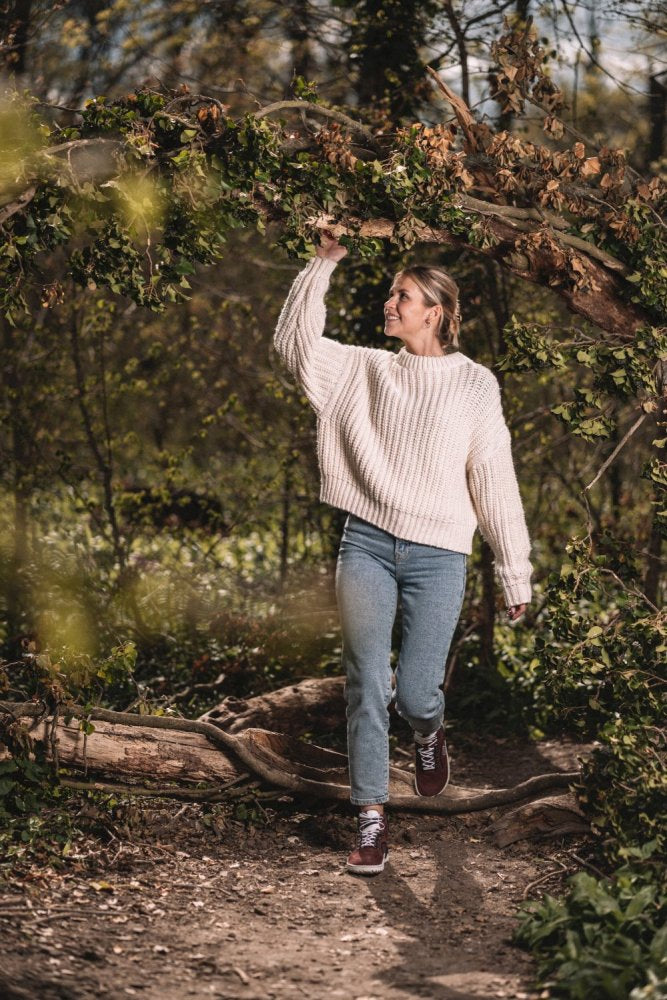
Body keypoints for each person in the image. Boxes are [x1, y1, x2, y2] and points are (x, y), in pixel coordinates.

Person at [273, 231, 532, 876]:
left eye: (404, 296)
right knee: (367, 682)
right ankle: (370, 819)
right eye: (391, 293)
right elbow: (293, 347)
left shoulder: (475, 385)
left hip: (440, 555)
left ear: (435, 312)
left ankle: (428, 733)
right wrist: (323, 261)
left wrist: (514, 570)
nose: (390, 304)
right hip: (365, 543)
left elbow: (494, 478)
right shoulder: (364, 368)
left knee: (416, 693)